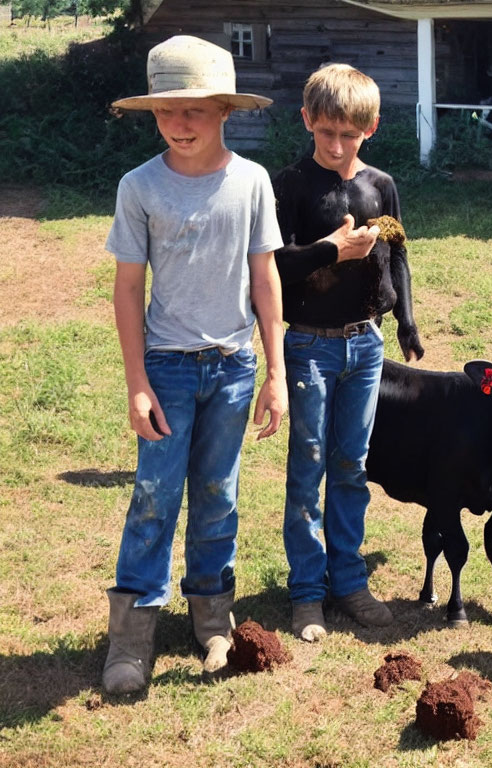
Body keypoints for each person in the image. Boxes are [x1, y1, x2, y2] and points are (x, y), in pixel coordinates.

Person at [102, 35, 286, 694]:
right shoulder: (140, 187)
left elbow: (265, 280)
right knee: (154, 499)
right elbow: (128, 290)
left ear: (226, 112)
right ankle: (132, 638)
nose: (182, 125)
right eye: (168, 111)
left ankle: (212, 620)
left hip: (233, 367)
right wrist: (137, 385)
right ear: (152, 115)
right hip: (168, 369)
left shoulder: (252, 183)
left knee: (218, 497)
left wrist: (276, 373)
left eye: (198, 111)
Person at [272, 63, 424, 642]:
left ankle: (349, 580)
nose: (336, 146)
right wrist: (329, 251)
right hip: (309, 344)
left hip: (366, 345)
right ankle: (307, 593)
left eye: (350, 135)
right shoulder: (288, 185)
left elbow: (399, 254)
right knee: (308, 467)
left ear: (372, 127)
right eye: (326, 132)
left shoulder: (381, 187)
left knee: (352, 466)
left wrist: (406, 320)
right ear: (308, 119)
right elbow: (275, 262)